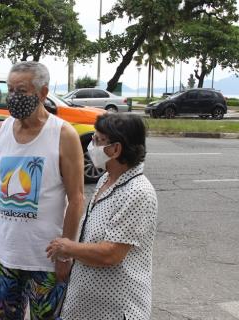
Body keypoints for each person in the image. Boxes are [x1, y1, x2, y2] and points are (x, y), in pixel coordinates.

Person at [0, 61, 85, 320]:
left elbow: (76, 198)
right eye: (9, 90)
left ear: (43, 93)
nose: (12, 97)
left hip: (46, 260)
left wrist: (66, 251)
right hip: (5, 258)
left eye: (20, 90)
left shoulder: (63, 135)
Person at [46, 113, 158, 320]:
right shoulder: (107, 179)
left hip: (115, 310)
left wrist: (67, 247)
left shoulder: (137, 192)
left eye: (97, 140)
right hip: (88, 307)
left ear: (115, 149)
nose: (91, 146)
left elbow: (111, 254)